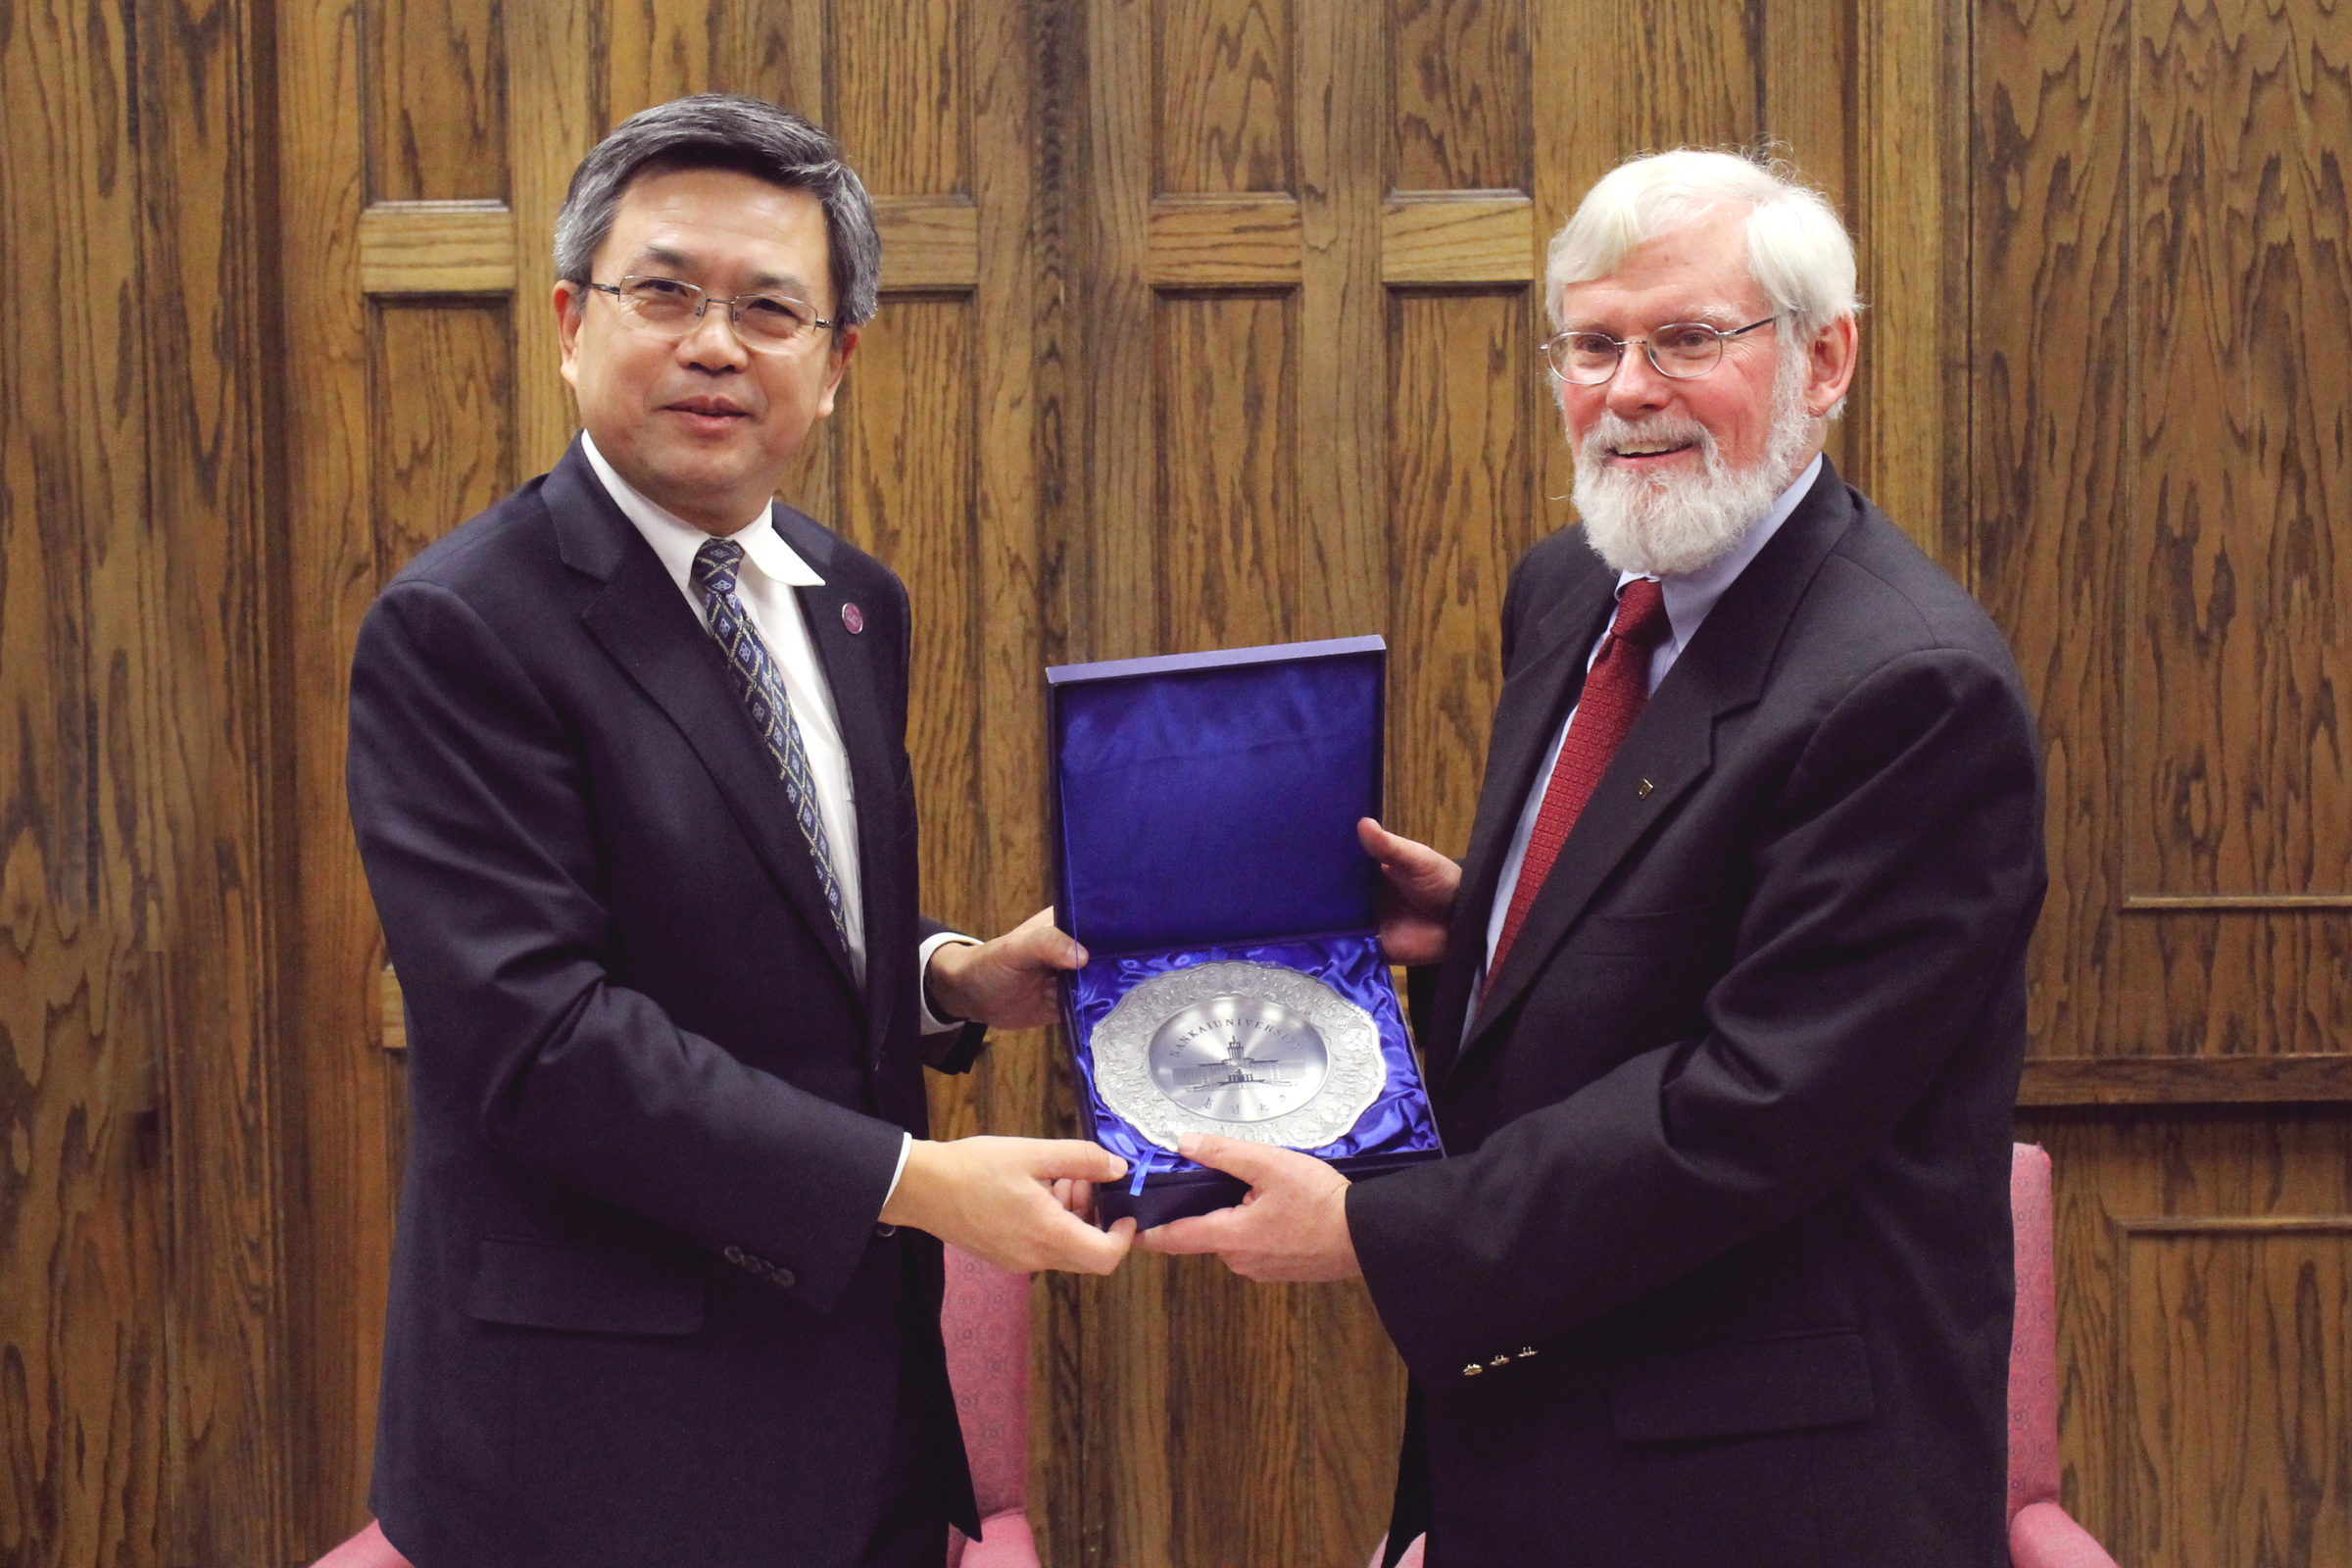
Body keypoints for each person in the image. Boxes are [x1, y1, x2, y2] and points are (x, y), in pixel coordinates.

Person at [1142, 148, 2046, 1567]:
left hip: (1765, 1493)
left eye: (1688, 338)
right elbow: (1647, 915)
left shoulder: (1913, 691)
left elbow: (1748, 1110)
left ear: (1825, 359)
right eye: (1594, 342)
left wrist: (1380, 1235)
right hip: (1527, 1435)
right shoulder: (1574, 587)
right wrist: (1498, 926)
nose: (1629, 391)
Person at [346, 95, 1132, 1568]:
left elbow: (756, 911)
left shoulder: (848, 599)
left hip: (854, 1413)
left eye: (772, 308)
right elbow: (542, 1039)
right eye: (667, 293)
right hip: (597, 1445)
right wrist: (912, 1183)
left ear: (835, 366)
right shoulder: (461, 628)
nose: (716, 343)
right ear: (573, 320)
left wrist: (947, 976)